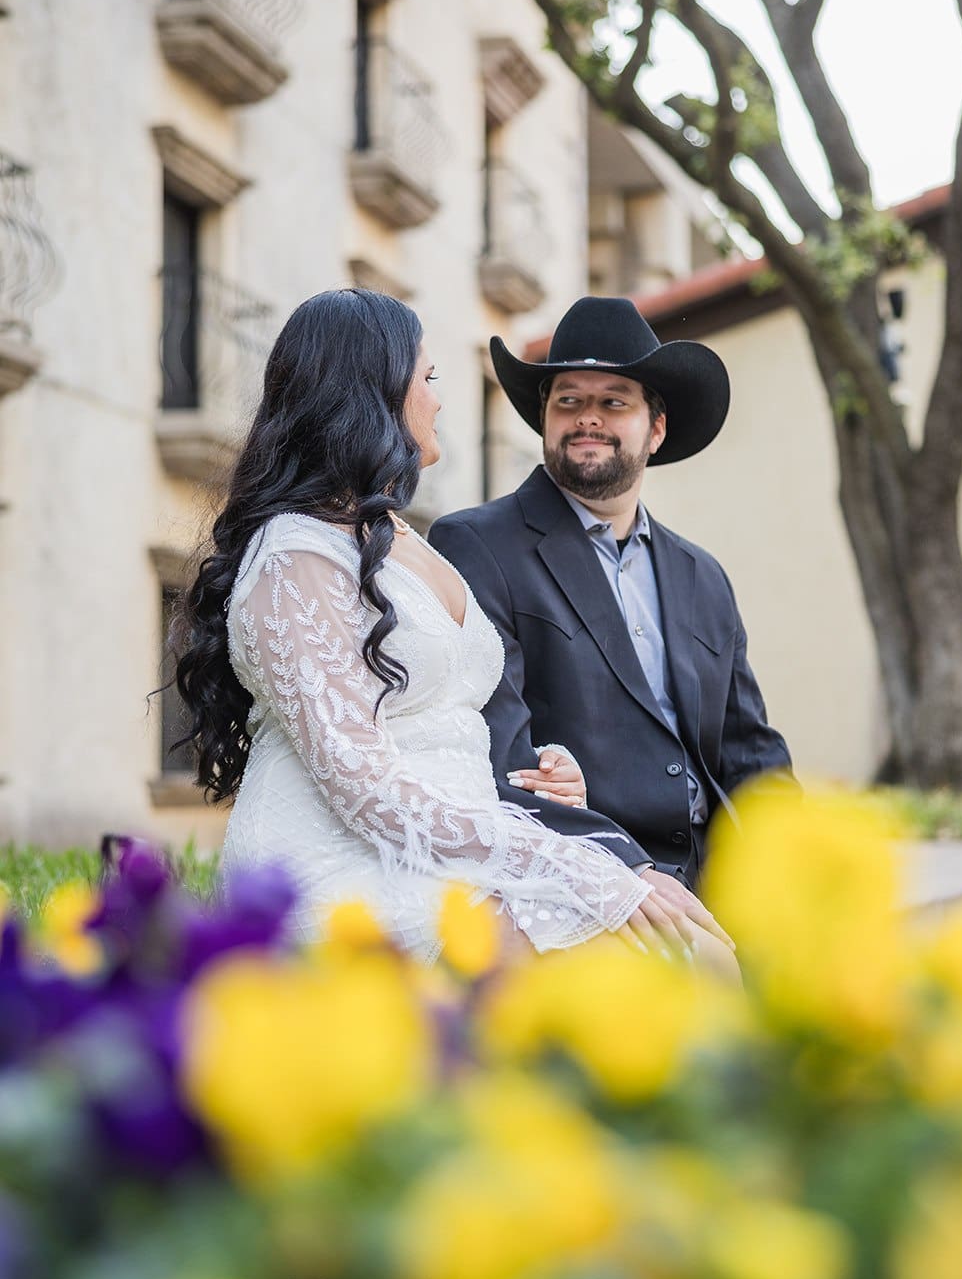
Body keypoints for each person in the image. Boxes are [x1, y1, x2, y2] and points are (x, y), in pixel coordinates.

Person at [174, 289, 737, 974]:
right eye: (428, 379)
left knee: (703, 956)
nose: (439, 400)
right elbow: (365, 786)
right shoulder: (298, 557)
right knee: (683, 963)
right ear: (372, 393)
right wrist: (574, 863)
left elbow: (448, 721)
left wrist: (544, 772)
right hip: (348, 869)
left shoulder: (392, 534)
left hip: (447, 856)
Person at [428, 296, 793, 905]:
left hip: (726, 880)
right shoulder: (478, 545)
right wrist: (627, 873)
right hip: (584, 877)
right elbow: (500, 752)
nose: (587, 418)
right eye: (568, 400)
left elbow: (749, 749)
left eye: (613, 401)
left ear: (656, 427)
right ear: (544, 417)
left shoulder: (702, 575)